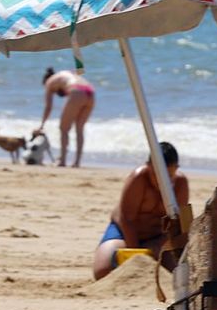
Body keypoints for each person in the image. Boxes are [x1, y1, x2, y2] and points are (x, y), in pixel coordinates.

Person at [92, 142, 192, 280]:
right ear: (149, 166)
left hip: (158, 238)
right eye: (158, 175)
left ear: (176, 169)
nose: (163, 181)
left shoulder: (180, 183)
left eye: (169, 176)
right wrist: (136, 256)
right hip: (124, 234)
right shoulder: (138, 178)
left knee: (179, 274)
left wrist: (159, 247)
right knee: (102, 271)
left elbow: (179, 224)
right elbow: (127, 219)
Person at [37, 67, 95, 167]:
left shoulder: (49, 82)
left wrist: (42, 125)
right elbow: (79, 70)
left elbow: (48, 107)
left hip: (77, 92)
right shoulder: (66, 73)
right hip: (90, 92)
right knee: (79, 129)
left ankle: (62, 161)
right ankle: (77, 162)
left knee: (63, 129)